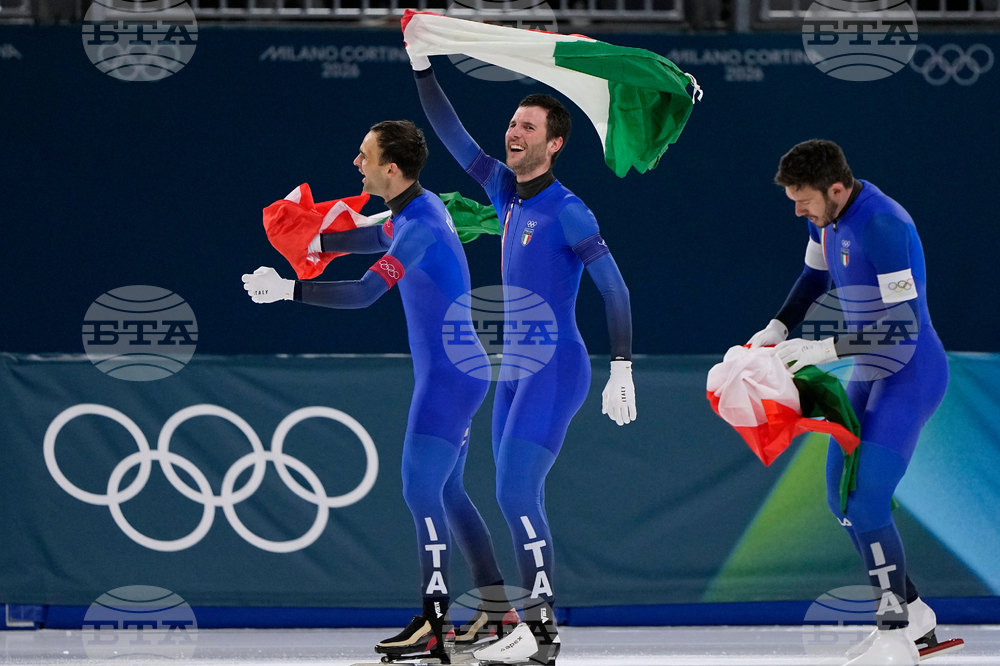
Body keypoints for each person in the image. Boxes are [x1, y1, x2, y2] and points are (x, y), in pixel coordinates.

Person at [242, 120, 513, 663]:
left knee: (420, 491)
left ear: (391, 168)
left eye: (363, 155)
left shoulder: (421, 225)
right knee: (449, 493)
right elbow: (370, 237)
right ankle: (496, 606)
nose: (355, 163)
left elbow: (367, 293)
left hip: (449, 380)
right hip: (457, 372)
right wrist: (314, 237)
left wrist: (289, 289)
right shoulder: (415, 210)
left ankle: (436, 622)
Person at [409, 53, 636, 665]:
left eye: (528, 126)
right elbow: (450, 132)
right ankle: (533, 631)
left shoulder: (569, 210)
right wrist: (422, 65)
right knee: (514, 494)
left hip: (556, 368)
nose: (514, 132)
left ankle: (540, 632)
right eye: (512, 123)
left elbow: (614, 288)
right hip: (512, 368)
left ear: (555, 143)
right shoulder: (502, 190)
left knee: (514, 493)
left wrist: (622, 366)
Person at [746, 140, 949, 666]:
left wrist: (824, 347)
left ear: (836, 189)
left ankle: (894, 629)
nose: (798, 210)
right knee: (841, 500)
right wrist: (779, 326)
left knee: (867, 504)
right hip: (866, 370)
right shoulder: (824, 217)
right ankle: (915, 612)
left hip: (910, 373)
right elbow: (815, 276)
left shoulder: (884, 224)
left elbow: (902, 327)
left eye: (804, 200)